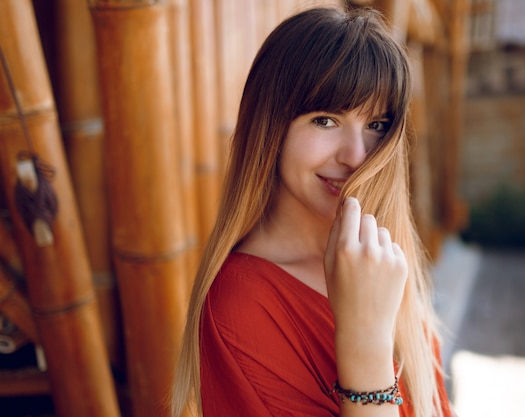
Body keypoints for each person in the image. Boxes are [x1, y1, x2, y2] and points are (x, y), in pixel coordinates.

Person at [171, 6, 453, 417]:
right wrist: (366, 340)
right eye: (325, 120)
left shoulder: (380, 260)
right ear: (270, 128)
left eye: (376, 124)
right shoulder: (242, 306)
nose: (356, 156)